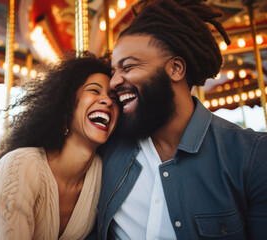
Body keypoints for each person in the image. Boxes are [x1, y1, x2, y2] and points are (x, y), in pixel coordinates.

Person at [90, 0, 267, 239]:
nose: (113, 82)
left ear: (175, 69)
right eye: (114, 71)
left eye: (128, 67)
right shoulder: (108, 146)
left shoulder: (251, 156)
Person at [0, 52, 119, 240]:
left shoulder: (100, 173)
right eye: (94, 90)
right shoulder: (21, 166)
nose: (108, 101)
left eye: (113, 97)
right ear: (67, 104)